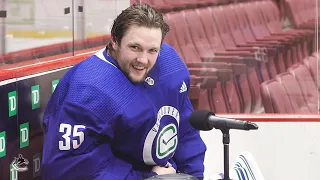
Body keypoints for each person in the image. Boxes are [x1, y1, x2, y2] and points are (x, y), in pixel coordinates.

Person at [41, 3, 206, 180]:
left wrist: (193, 176)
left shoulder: (169, 64)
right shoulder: (87, 90)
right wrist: (145, 178)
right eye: (134, 47)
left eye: (152, 50)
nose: (143, 59)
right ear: (115, 40)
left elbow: (185, 130)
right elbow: (72, 168)